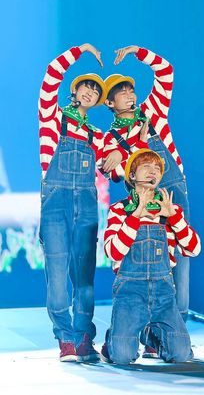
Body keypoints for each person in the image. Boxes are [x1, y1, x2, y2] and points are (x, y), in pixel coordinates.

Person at [102, 45, 191, 356]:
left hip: (173, 188)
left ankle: (167, 333)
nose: (129, 93)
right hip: (138, 202)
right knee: (139, 260)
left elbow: (166, 72)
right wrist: (126, 149)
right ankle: (124, 328)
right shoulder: (107, 140)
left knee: (179, 261)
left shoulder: (152, 109)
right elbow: (116, 176)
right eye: (121, 92)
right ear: (110, 103)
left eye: (130, 88)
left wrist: (138, 52)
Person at [38, 43, 107, 362]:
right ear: (74, 90)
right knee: (57, 274)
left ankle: (82, 337)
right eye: (87, 85)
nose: (91, 91)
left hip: (87, 204)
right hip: (56, 202)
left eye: (97, 89)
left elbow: (119, 164)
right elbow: (51, 76)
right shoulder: (53, 119)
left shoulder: (98, 135)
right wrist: (80, 50)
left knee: (85, 276)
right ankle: (64, 336)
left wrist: (121, 158)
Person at [101, 149, 201, 365]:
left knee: (181, 355)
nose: (153, 171)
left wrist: (174, 218)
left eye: (157, 168)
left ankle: (150, 333)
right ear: (133, 176)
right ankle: (114, 337)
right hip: (130, 293)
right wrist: (136, 216)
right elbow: (112, 251)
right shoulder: (120, 210)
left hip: (163, 293)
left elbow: (193, 249)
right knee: (121, 357)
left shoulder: (170, 209)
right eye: (146, 166)